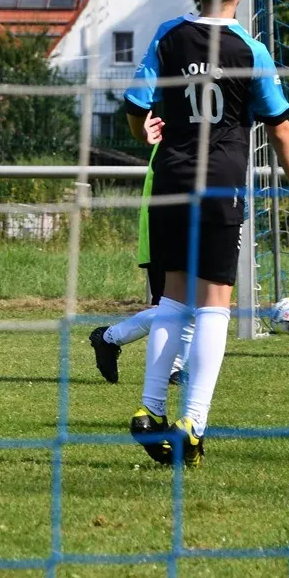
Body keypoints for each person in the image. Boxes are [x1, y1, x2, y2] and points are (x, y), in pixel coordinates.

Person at [121, 0, 289, 467]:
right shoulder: (250, 50)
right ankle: (194, 422)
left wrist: (145, 131)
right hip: (220, 185)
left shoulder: (168, 37)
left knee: (172, 300)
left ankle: (149, 410)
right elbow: (280, 128)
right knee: (214, 305)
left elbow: (136, 107)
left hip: (171, 181)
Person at [88, 124, 193, 386]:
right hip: (166, 230)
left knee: (193, 307)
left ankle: (171, 366)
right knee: (179, 307)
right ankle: (110, 337)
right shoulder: (177, 135)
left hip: (191, 227)